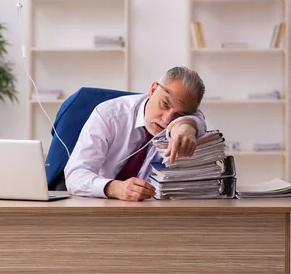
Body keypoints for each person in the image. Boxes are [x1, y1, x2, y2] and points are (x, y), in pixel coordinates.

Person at [64, 66, 207, 201]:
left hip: (151, 212)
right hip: (101, 205)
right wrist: (115, 188)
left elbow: (198, 118)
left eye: (179, 115)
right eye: (165, 104)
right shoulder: (109, 115)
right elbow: (75, 175)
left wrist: (186, 124)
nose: (166, 119)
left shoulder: (186, 125)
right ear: (152, 90)